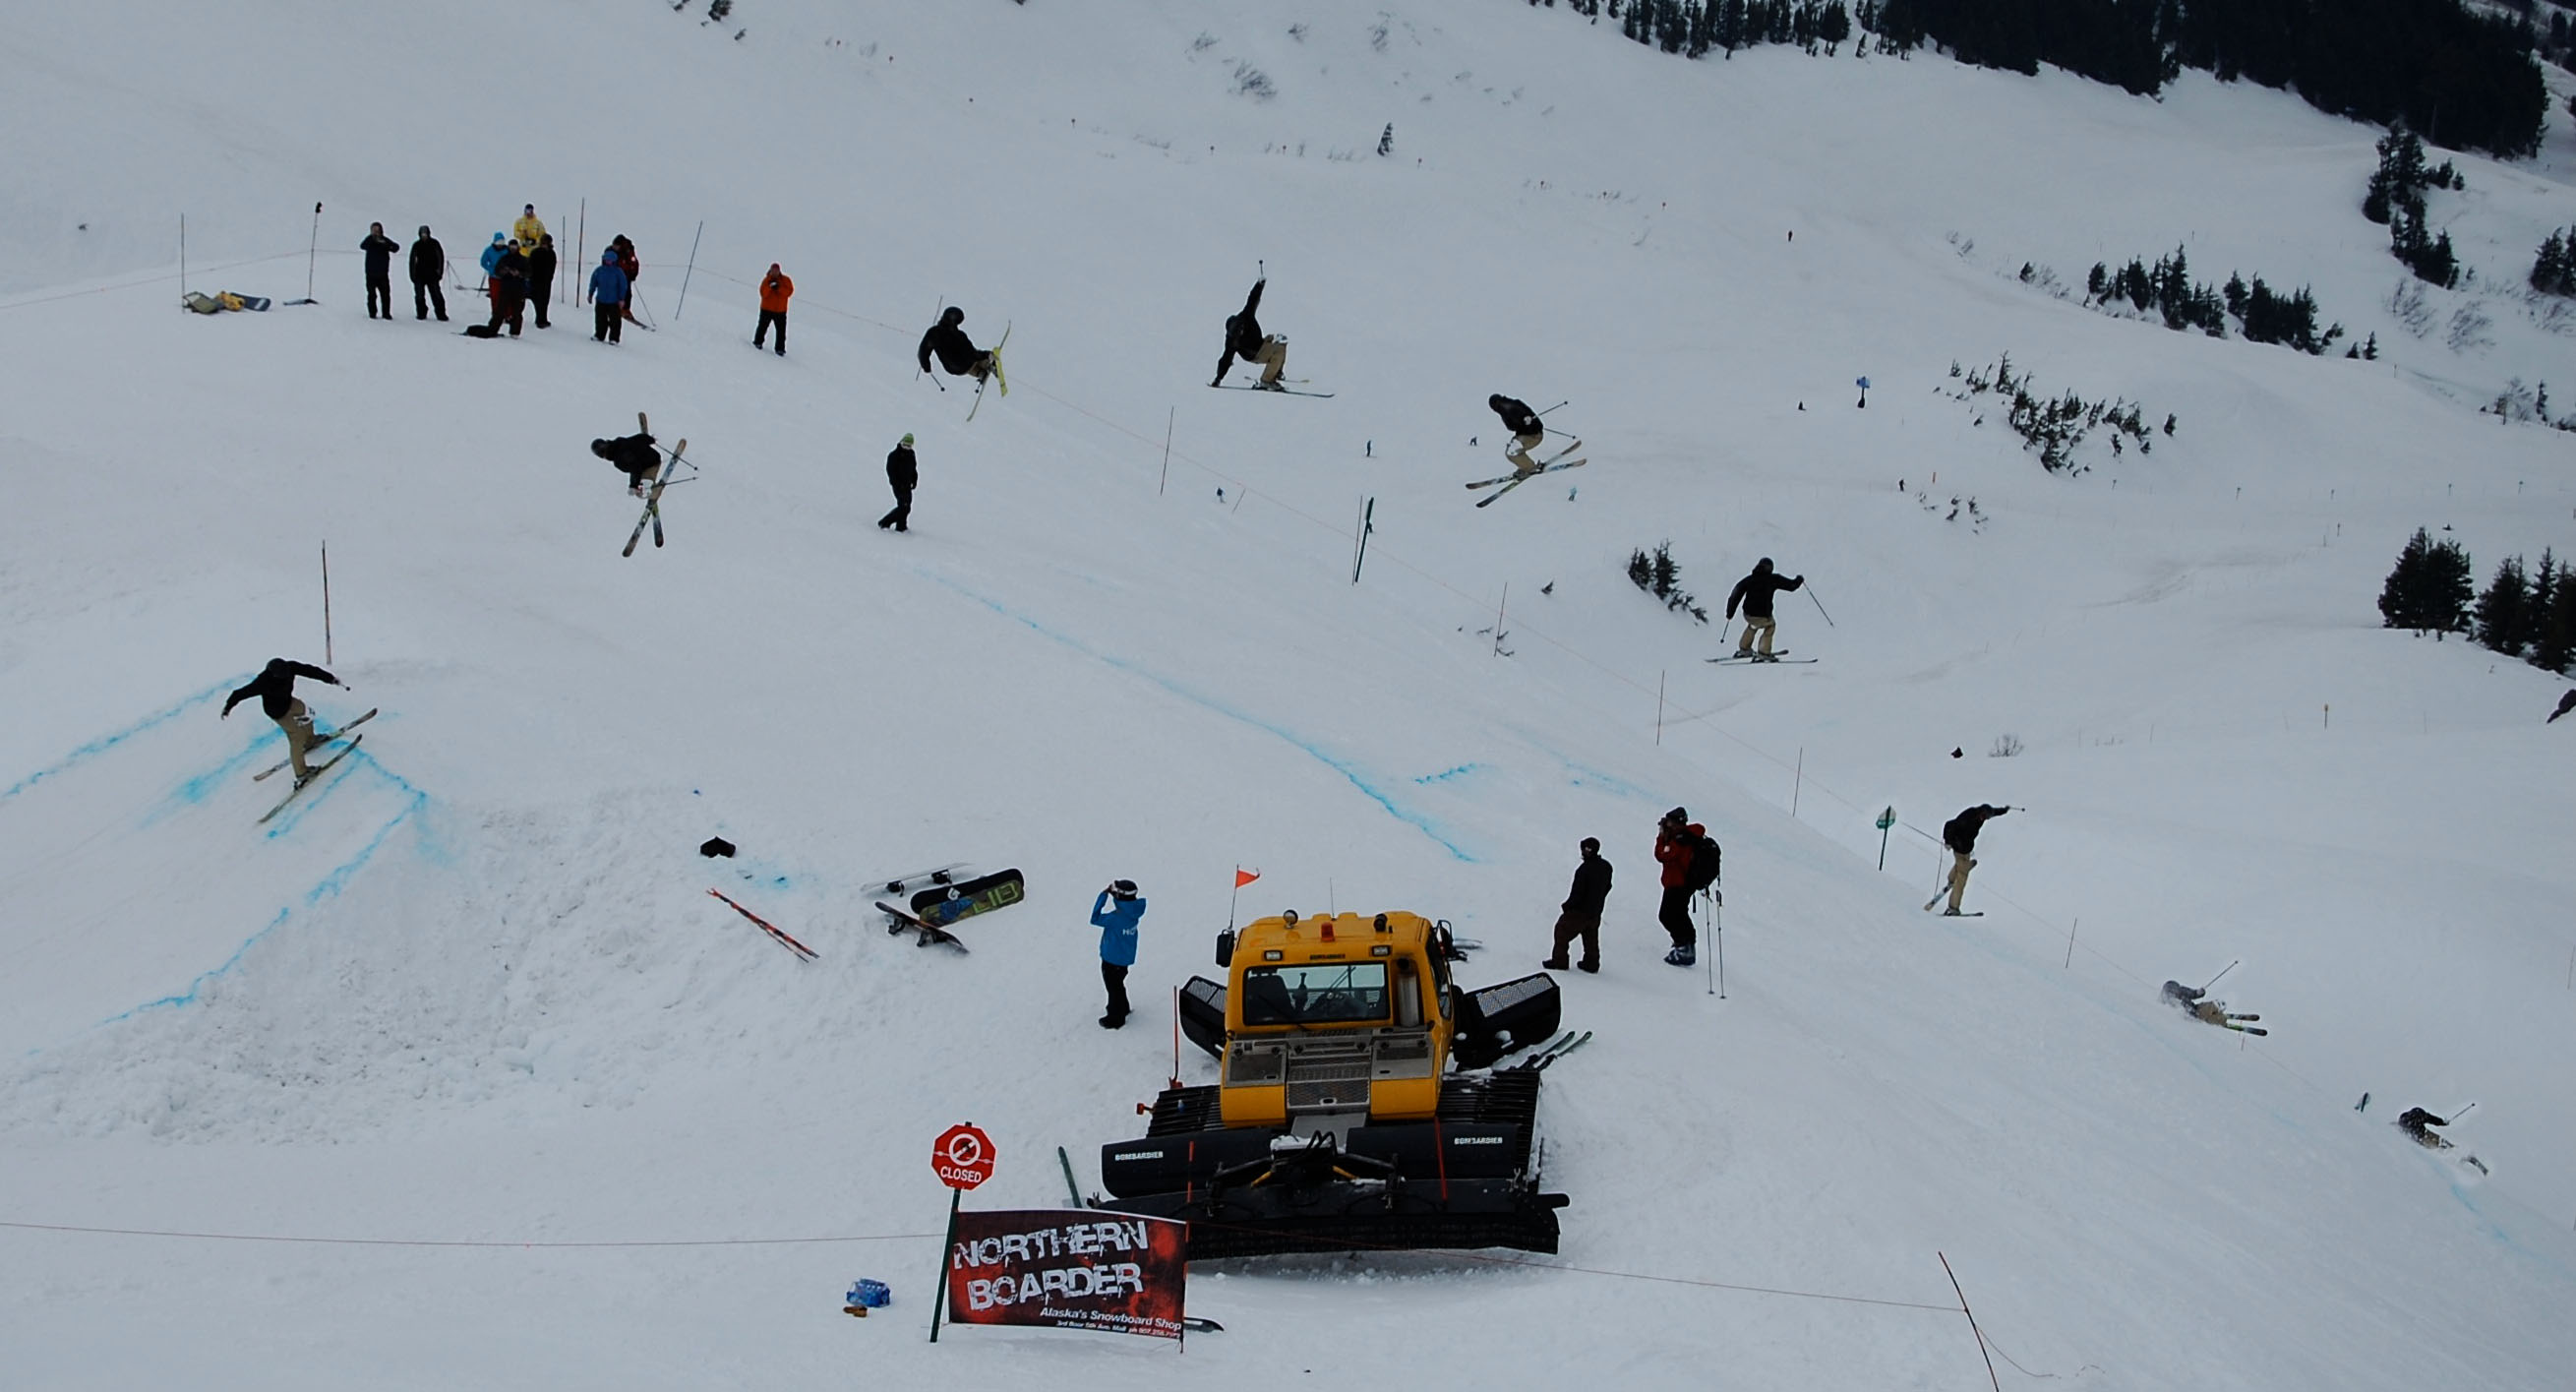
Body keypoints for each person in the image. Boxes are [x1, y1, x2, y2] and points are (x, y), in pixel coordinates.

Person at [220, 657, 349, 783]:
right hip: (277, 712)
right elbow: (240, 693)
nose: (285, 677)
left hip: (288, 702)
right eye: (281, 676)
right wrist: (228, 707)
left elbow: (310, 671)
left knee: (307, 714)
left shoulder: (290, 667)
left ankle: (310, 740)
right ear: (273, 674)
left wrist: (329, 678)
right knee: (297, 737)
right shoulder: (263, 682)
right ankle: (301, 773)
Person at [1543, 837, 1612, 974]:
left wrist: (1567, 906)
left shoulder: (1584, 870)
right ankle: (1591, 963)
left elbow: (1577, 893)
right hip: (1595, 911)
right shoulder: (1606, 867)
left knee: (1561, 932)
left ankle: (1560, 961)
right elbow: (1608, 886)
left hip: (1579, 912)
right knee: (1590, 937)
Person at [1211, 276, 1287, 390]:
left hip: (1259, 343)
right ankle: (1266, 380)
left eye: (1240, 330)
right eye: (1237, 333)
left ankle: (1276, 370)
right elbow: (1225, 360)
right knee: (1279, 349)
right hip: (1253, 353)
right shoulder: (1232, 340)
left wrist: (1259, 284)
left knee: (1279, 339)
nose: (1240, 333)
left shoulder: (1246, 315)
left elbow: (1253, 299)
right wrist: (1218, 378)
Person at [1724, 558, 1807, 660]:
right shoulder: (1773, 579)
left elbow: (1735, 594)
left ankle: (1744, 649)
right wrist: (1799, 580)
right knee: (1770, 626)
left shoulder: (1750, 579)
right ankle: (1764, 653)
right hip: (1762, 615)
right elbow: (1791, 586)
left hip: (1748, 614)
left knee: (1753, 625)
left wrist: (1730, 613)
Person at [1092, 879, 1147, 1028]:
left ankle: (1115, 1018)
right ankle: (1123, 1007)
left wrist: (1103, 895)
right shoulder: (1133, 913)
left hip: (1111, 959)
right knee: (1118, 984)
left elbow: (1095, 918)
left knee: (1113, 988)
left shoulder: (1115, 918)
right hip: (1124, 959)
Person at [1651, 807, 1703, 966]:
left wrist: (1661, 837)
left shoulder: (1680, 839)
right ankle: (1687, 945)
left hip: (1677, 883)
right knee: (1679, 914)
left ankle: (1683, 947)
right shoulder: (1688, 836)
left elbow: (1662, 855)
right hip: (1684, 882)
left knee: (1667, 915)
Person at [1940, 804, 2009, 916]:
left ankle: (1951, 880)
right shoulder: (1968, 816)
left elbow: (1994, 812)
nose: (1984, 819)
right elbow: (1949, 824)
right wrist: (1948, 841)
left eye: (1986, 818)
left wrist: (2004, 810)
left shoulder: (1982, 815)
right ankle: (1953, 907)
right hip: (1958, 848)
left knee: (1962, 865)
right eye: (1984, 817)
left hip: (1966, 850)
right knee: (1962, 878)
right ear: (1980, 813)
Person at [917, 306, 995, 382]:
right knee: (970, 360)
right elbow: (972, 354)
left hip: (952, 369)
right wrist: (987, 354)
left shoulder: (932, 333)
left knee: (960, 364)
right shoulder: (959, 336)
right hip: (966, 364)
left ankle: (979, 373)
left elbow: (923, 351)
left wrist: (926, 367)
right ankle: (987, 364)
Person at [1488, 394, 1548, 475]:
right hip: (1528, 434)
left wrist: (1527, 419)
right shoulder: (1507, 408)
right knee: (1512, 450)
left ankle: (1531, 468)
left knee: (1512, 452)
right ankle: (1525, 466)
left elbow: (1523, 413)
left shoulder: (1510, 407)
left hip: (1534, 436)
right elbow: (1513, 426)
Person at [483, 239, 529, 337]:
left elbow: (529, 273)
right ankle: (492, 329)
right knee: (500, 310)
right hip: (505, 288)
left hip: (519, 289)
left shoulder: (523, 260)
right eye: (511, 247)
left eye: (515, 247)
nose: (513, 249)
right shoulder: (504, 259)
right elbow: (497, 271)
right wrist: (504, 272)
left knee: (517, 311)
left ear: (518, 247)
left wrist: (519, 274)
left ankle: (515, 332)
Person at [592, 432, 661, 496]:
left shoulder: (619, 462)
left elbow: (636, 469)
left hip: (651, 464)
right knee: (641, 484)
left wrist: (633, 486)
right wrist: (650, 439)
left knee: (642, 492)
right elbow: (638, 438)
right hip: (652, 455)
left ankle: (657, 492)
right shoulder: (619, 441)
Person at [358, 222, 400, 320]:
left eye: (377, 230)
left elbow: (396, 248)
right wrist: (372, 239)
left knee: (385, 295)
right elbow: (362, 246)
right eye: (374, 230)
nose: (376, 232)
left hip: (383, 273)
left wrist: (386, 245)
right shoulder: (369, 240)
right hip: (370, 273)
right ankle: (372, 313)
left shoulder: (384, 240)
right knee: (372, 295)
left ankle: (386, 313)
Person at [587, 250, 629, 343]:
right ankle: (599, 335)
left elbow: (623, 286)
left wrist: (622, 299)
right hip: (601, 300)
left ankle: (614, 338)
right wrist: (590, 294)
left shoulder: (618, 272)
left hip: (613, 301)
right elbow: (593, 283)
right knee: (600, 319)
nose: (608, 262)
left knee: (615, 321)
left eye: (610, 260)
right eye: (606, 260)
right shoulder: (599, 271)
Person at [408, 226, 448, 322]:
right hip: (419, 274)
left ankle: (441, 313)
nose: (424, 236)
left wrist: (440, 271)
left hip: (433, 274)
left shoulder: (435, 244)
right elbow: (412, 260)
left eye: (425, 234)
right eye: (422, 234)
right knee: (419, 295)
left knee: (436, 294)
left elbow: (440, 258)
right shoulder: (416, 245)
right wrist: (412, 274)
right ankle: (421, 313)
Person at [879, 433, 918, 531]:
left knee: (907, 506)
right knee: (904, 507)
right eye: (905, 444)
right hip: (898, 486)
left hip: (907, 485)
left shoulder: (911, 455)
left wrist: (914, 480)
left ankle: (901, 527)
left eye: (909, 446)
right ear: (901, 442)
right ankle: (885, 522)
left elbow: (913, 469)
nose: (906, 447)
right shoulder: (894, 455)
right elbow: (890, 471)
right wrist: (896, 483)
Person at [755, 264, 793, 356]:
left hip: (780, 311)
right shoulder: (766, 280)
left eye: (776, 270)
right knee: (762, 327)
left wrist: (779, 288)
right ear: (770, 271)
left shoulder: (785, 280)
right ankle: (758, 342)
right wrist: (770, 287)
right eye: (773, 270)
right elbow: (763, 293)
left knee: (781, 331)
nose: (775, 272)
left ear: (779, 271)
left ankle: (780, 349)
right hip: (766, 309)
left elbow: (789, 292)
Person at [525, 234, 558, 330]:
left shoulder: (552, 253)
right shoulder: (535, 252)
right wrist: (530, 277)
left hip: (546, 281)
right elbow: (530, 266)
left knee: (545, 300)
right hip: (535, 280)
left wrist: (550, 278)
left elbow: (552, 267)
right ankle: (539, 320)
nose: (545, 245)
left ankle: (543, 318)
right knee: (537, 300)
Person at [611, 236, 641, 324]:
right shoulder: (610, 251)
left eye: (616, 246)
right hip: (614, 276)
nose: (614, 247)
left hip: (625, 276)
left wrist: (633, 275)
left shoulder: (628, 251)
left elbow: (634, 264)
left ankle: (625, 309)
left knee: (627, 293)